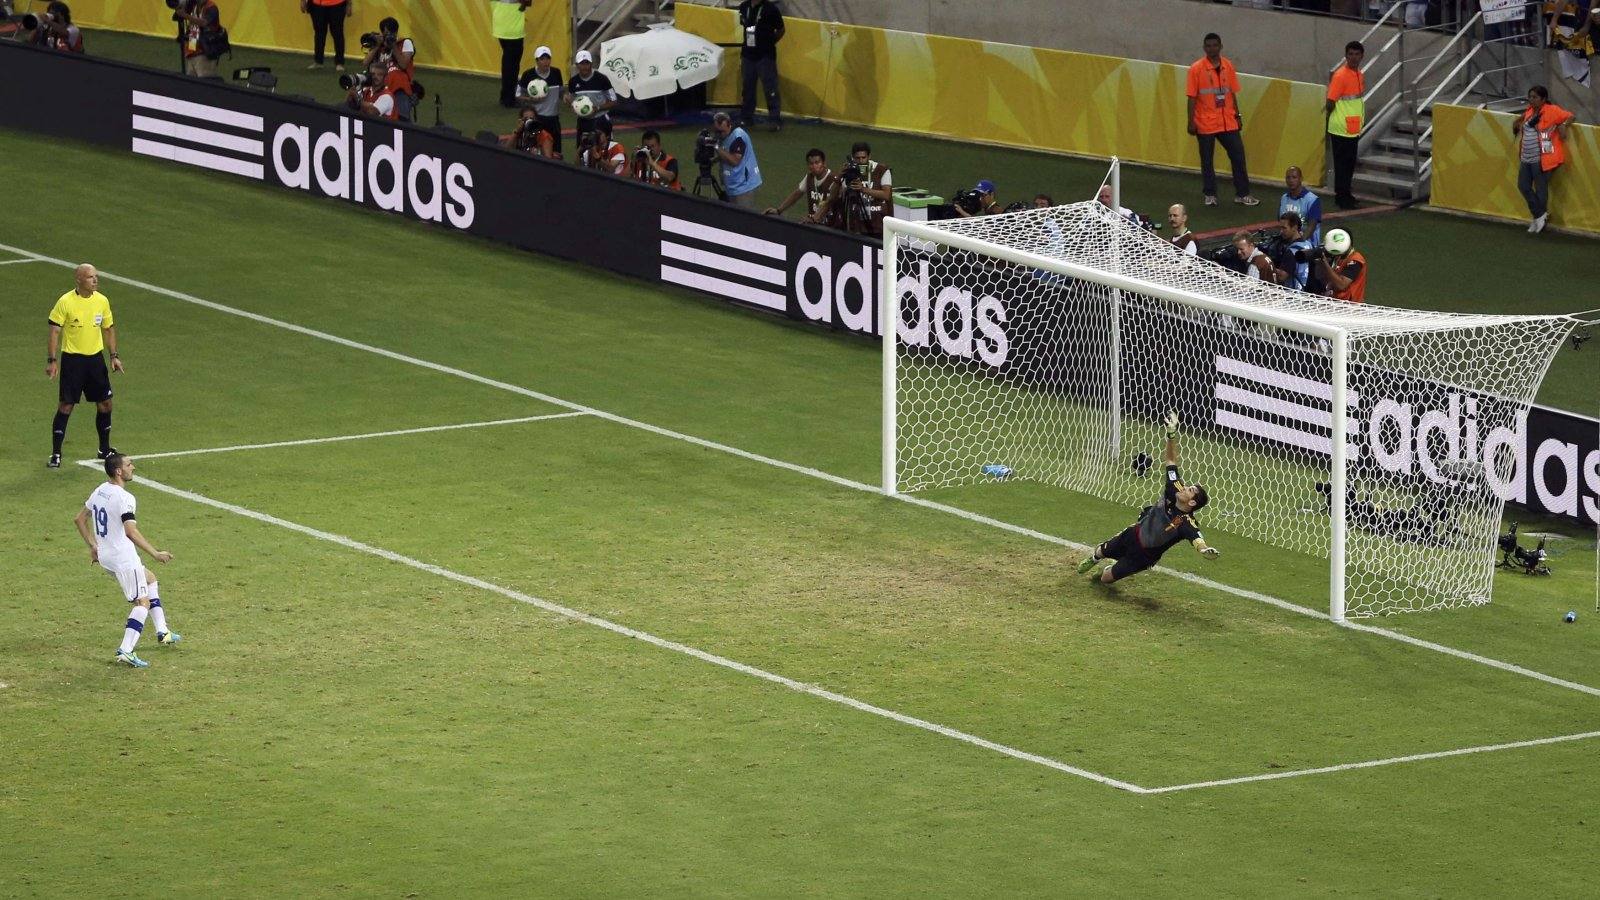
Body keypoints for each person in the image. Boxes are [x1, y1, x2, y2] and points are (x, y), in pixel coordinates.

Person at [1076, 411, 1218, 585]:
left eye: (1189, 490)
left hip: (1144, 555)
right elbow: (1171, 460)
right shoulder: (1175, 488)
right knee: (1100, 551)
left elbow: (1197, 539)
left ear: (1192, 502)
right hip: (1134, 534)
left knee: (1106, 579)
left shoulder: (1185, 522)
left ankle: (1109, 569)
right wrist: (1171, 434)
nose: (1184, 487)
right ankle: (1094, 559)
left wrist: (1204, 551)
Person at [74, 454, 179, 669]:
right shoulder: (125, 498)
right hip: (123, 559)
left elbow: (80, 519)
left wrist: (93, 546)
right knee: (142, 603)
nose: (133, 467)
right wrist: (155, 553)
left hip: (106, 556)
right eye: (129, 464)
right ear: (119, 471)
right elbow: (131, 531)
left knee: (150, 580)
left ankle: (163, 631)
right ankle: (126, 650)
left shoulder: (100, 490)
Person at [46, 264, 121, 469]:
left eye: (96, 276)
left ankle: (104, 449)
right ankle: (56, 453)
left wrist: (114, 356)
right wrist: (52, 360)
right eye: (90, 277)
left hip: (95, 360)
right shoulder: (66, 302)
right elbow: (54, 331)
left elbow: (108, 328)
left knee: (106, 403)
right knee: (66, 405)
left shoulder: (102, 301)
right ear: (78, 280)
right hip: (73, 361)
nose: (95, 280)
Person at [1186, 33, 1257, 207]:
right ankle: (1210, 195)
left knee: (1238, 156)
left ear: (1220, 46)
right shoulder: (1196, 68)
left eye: (1215, 45)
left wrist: (1237, 115)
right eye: (1208, 46)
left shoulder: (1228, 66)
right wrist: (1190, 121)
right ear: (1204, 48)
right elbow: (1191, 98)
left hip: (1228, 121)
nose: (1212, 49)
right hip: (1205, 122)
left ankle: (1243, 194)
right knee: (1207, 160)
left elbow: (1231, 93)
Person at [1513, 85, 1575, 234]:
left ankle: (1538, 217)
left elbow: (1570, 116)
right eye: (1530, 97)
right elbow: (1527, 121)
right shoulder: (1529, 111)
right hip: (1527, 156)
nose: (1531, 100)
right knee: (1523, 186)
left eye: (1535, 97)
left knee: (1541, 187)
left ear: (1543, 99)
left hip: (1544, 156)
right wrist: (1519, 120)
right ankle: (1540, 214)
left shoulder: (1552, 110)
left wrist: (1564, 125)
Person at [1326, 41, 1366, 211]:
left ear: (1362, 56)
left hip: (1352, 127)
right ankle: (1342, 197)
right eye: (1350, 54)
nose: (1353, 57)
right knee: (1342, 165)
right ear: (1346, 56)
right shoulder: (1341, 75)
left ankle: (1345, 194)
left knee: (1348, 164)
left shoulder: (1359, 74)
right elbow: (1330, 101)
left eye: (1357, 54)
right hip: (1341, 127)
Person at [737, 0, 785, 131]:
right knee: (748, 88)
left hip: (765, 55)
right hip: (748, 54)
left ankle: (775, 120)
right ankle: (746, 118)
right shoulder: (743, 6)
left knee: (771, 88)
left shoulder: (771, 9)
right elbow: (745, 26)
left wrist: (770, 42)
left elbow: (781, 29)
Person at [765, 148, 840, 223]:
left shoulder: (834, 180)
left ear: (824, 164)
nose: (814, 166)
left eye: (817, 163)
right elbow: (797, 194)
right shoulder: (809, 178)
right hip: (813, 223)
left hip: (831, 226)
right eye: (811, 163)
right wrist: (779, 210)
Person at [364, 16, 416, 121]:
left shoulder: (405, 43)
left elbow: (403, 64)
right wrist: (377, 46)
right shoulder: (380, 47)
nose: (389, 36)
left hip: (399, 88)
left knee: (402, 121)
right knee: (374, 117)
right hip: (380, 87)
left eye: (391, 33)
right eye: (386, 33)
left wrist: (393, 46)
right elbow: (365, 63)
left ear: (396, 32)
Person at [516, 46, 565, 157]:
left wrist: (565, 97)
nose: (545, 62)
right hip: (536, 119)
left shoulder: (556, 72)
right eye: (542, 59)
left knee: (556, 152)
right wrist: (530, 99)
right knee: (534, 151)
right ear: (537, 61)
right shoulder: (528, 74)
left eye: (547, 58)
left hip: (553, 119)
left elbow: (561, 92)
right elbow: (518, 95)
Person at [711, 111, 763, 208]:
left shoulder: (738, 136)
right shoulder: (723, 136)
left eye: (722, 131)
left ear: (729, 125)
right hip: (733, 184)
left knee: (744, 218)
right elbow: (727, 152)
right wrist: (714, 160)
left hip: (743, 186)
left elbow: (735, 161)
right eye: (717, 131)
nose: (719, 134)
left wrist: (717, 147)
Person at [568, 51, 619, 138]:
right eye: (582, 63)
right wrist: (572, 105)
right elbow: (572, 102)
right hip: (583, 122)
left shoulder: (602, 78)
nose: (585, 66)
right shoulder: (573, 82)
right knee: (582, 149)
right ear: (577, 65)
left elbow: (613, 100)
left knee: (605, 149)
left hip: (601, 121)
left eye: (587, 63)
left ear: (591, 64)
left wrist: (597, 108)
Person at [492, 0, 532, 108]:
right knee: (512, 66)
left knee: (507, 63)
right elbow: (527, 1)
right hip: (513, 28)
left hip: (500, 25)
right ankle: (509, 99)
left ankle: (505, 96)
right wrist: (523, 5)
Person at [176, 0, 225, 79]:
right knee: (191, 85)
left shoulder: (211, 7)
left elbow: (204, 23)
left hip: (204, 53)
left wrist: (185, 15)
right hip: (192, 51)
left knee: (205, 85)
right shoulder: (194, 6)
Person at [1316, 228, 1366, 302]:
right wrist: (1319, 264)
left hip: (1349, 307)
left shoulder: (1356, 260)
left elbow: (1341, 285)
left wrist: (1325, 263)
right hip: (1334, 302)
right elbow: (1321, 278)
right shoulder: (1337, 257)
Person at [1279, 166, 1323, 246]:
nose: (1291, 180)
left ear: (1301, 179)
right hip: (1287, 242)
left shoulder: (1312, 200)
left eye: (1294, 177)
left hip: (1307, 244)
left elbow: (1311, 227)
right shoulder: (1283, 198)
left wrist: (1299, 243)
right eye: (1288, 178)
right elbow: (1281, 223)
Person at [302, 0, 348, 72]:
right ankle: (318, 61)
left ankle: (339, 63)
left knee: (338, 34)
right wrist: (303, 1)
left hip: (337, 4)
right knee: (319, 34)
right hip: (316, 5)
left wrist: (349, 4)